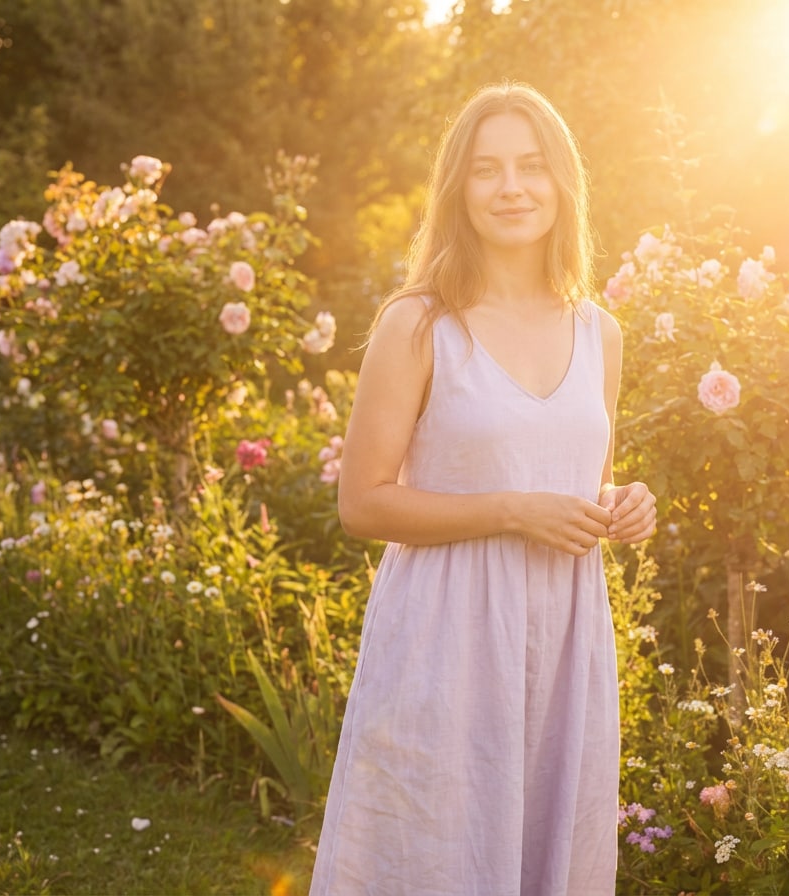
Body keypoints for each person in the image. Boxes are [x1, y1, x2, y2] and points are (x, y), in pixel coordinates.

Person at [309, 81, 657, 896]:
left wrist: (623, 499)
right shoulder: (419, 324)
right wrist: (509, 511)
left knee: (545, 849)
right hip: (447, 636)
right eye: (487, 170)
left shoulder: (599, 333)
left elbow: (576, 471)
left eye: (532, 167)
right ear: (457, 190)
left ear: (562, 183)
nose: (512, 188)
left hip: (563, 639)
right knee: (435, 850)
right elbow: (363, 502)